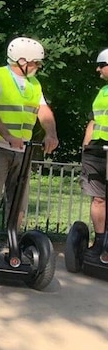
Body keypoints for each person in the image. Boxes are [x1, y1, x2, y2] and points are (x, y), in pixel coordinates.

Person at [0, 37, 58, 239]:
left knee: (19, 201)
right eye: (36, 62)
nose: (38, 66)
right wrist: (7, 135)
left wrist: (51, 134)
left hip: (23, 150)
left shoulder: (34, 84)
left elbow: (44, 110)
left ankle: (11, 243)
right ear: (22, 61)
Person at [79, 48, 108, 249]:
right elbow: (93, 121)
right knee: (98, 198)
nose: (98, 70)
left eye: (101, 65)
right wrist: (86, 146)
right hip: (97, 150)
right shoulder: (102, 92)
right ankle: (98, 242)